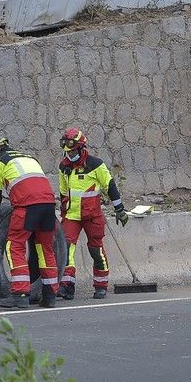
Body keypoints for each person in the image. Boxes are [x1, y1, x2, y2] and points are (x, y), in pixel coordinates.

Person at [0, 135, 59, 309]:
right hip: (48, 205)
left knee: (14, 246)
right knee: (45, 248)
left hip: (27, 206)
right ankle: (50, 295)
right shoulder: (29, 158)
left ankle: (20, 293)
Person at [56, 128, 127, 300]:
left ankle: (101, 285)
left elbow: (110, 186)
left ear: (81, 148)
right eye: (67, 151)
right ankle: (67, 285)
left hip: (92, 216)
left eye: (72, 150)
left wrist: (119, 209)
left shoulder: (95, 164)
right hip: (72, 216)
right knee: (66, 249)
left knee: (96, 250)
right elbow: (63, 192)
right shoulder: (64, 167)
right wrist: (63, 211)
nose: (69, 154)